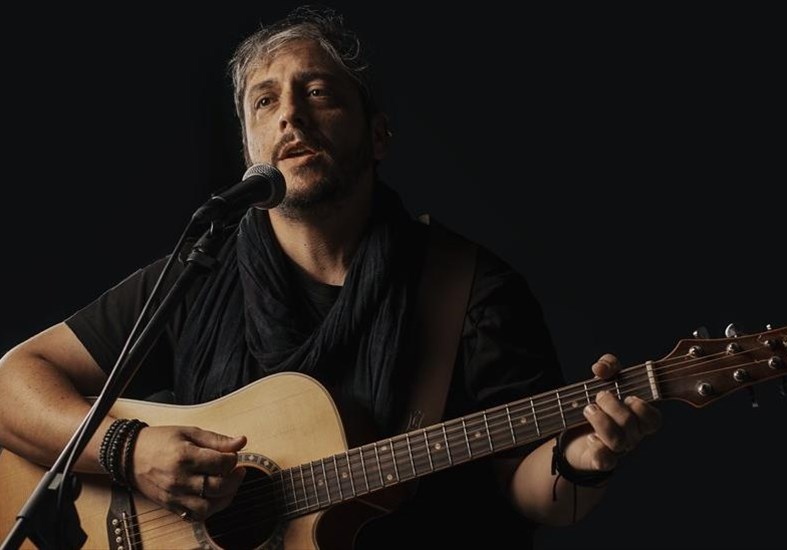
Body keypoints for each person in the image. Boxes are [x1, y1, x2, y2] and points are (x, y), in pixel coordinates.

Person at [0, 6, 661, 548]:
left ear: (378, 136)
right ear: (250, 151)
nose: (290, 115)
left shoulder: (470, 292)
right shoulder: (197, 277)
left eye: (317, 92)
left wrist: (581, 460)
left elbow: (527, 489)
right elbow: (11, 383)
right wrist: (130, 452)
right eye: (265, 102)